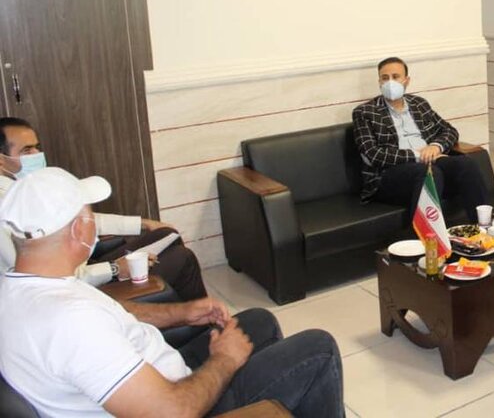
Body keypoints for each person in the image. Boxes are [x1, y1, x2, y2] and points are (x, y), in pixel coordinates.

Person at [0, 167, 343, 416]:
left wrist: (181, 313)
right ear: (79, 229)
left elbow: (116, 314)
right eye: (91, 214)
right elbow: (171, 412)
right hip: (180, 402)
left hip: (158, 376)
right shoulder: (69, 322)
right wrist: (224, 360)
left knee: (258, 322)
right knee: (318, 348)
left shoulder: (27, 285)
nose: (95, 222)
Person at [0, 117, 206, 300]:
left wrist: (142, 224)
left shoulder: (22, 189)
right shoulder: (10, 210)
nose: (37, 154)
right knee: (182, 258)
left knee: (166, 234)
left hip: (84, 269)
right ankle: (196, 321)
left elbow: (81, 217)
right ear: (1, 160)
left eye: (37, 147)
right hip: (76, 290)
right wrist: (115, 269)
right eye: (27, 150)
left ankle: (179, 314)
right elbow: (48, 278)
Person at [352, 57, 489, 222]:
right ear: (379, 82)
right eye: (385, 78)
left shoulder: (419, 104)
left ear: (406, 80)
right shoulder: (365, 112)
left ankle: (484, 225)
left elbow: (449, 130)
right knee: (428, 172)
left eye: (395, 77)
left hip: (430, 162)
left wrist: (435, 147)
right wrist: (419, 155)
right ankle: (423, 236)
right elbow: (373, 155)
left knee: (465, 164)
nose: (390, 82)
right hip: (388, 175)